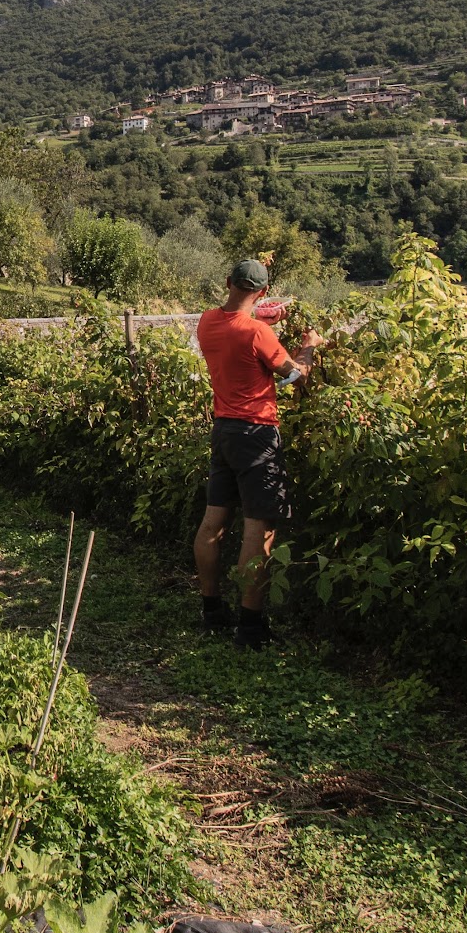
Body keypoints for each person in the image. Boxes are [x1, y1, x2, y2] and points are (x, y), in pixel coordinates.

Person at [193, 258, 320, 649]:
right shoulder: (258, 335)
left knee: (214, 520)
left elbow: (240, 319)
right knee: (259, 529)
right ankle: (250, 626)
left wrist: (266, 316)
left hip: (224, 430)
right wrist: (308, 348)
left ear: (227, 280)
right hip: (258, 435)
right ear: (262, 290)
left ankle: (211, 609)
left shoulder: (206, 321)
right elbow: (296, 375)